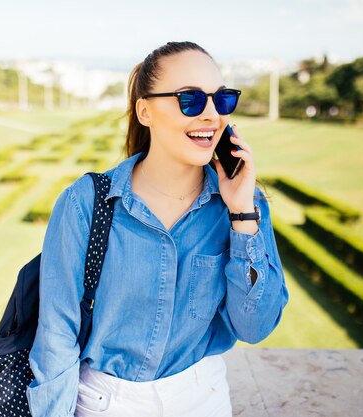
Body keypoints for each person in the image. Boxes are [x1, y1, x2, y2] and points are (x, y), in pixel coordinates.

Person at [25, 41, 289, 417]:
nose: (212, 115)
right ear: (145, 111)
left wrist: (242, 214)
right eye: (190, 100)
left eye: (222, 99)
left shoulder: (245, 205)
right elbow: (56, 336)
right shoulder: (86, 202)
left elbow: (254, 327)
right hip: (103, 403)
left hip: (203, 399)